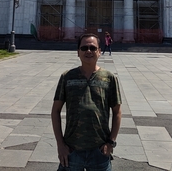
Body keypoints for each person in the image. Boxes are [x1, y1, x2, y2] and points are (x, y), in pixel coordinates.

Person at [51, 33, 122, 171]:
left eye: (92, 48)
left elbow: (117, 112)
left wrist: (110, 143)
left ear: (99, 52)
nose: (88, 51)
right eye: (84, 48)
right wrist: (60, 145)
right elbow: (55, 110)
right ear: (78, 52)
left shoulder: (109, 78)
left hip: (99, 151)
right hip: (72, 150)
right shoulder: (67, 77)